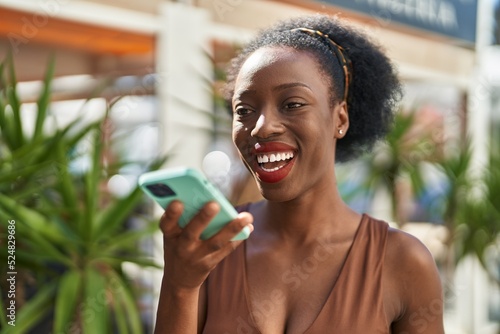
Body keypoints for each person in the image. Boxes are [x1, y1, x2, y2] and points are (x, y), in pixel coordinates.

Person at [154, 14, 444, 334]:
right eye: (244, 111)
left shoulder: (402, 261)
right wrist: (179, 286)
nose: (262, 127)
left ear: (340, 118)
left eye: (292, 104)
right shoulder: (213, 246)